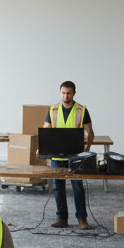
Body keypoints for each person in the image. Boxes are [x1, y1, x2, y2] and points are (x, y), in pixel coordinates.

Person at [43, 80, 93, 229]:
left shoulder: (81, 110)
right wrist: (43, 148)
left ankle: (82, 219)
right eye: (63, 93)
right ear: (60, 93)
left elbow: (90, 132)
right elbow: (46, 131)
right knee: (58, 188)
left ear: (74, 93)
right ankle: (62, 218)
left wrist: (86, 149)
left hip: (75, 156)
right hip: (57, 156)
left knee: (78, 187)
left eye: (69, 93)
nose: (66, 96)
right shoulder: (53, 110)